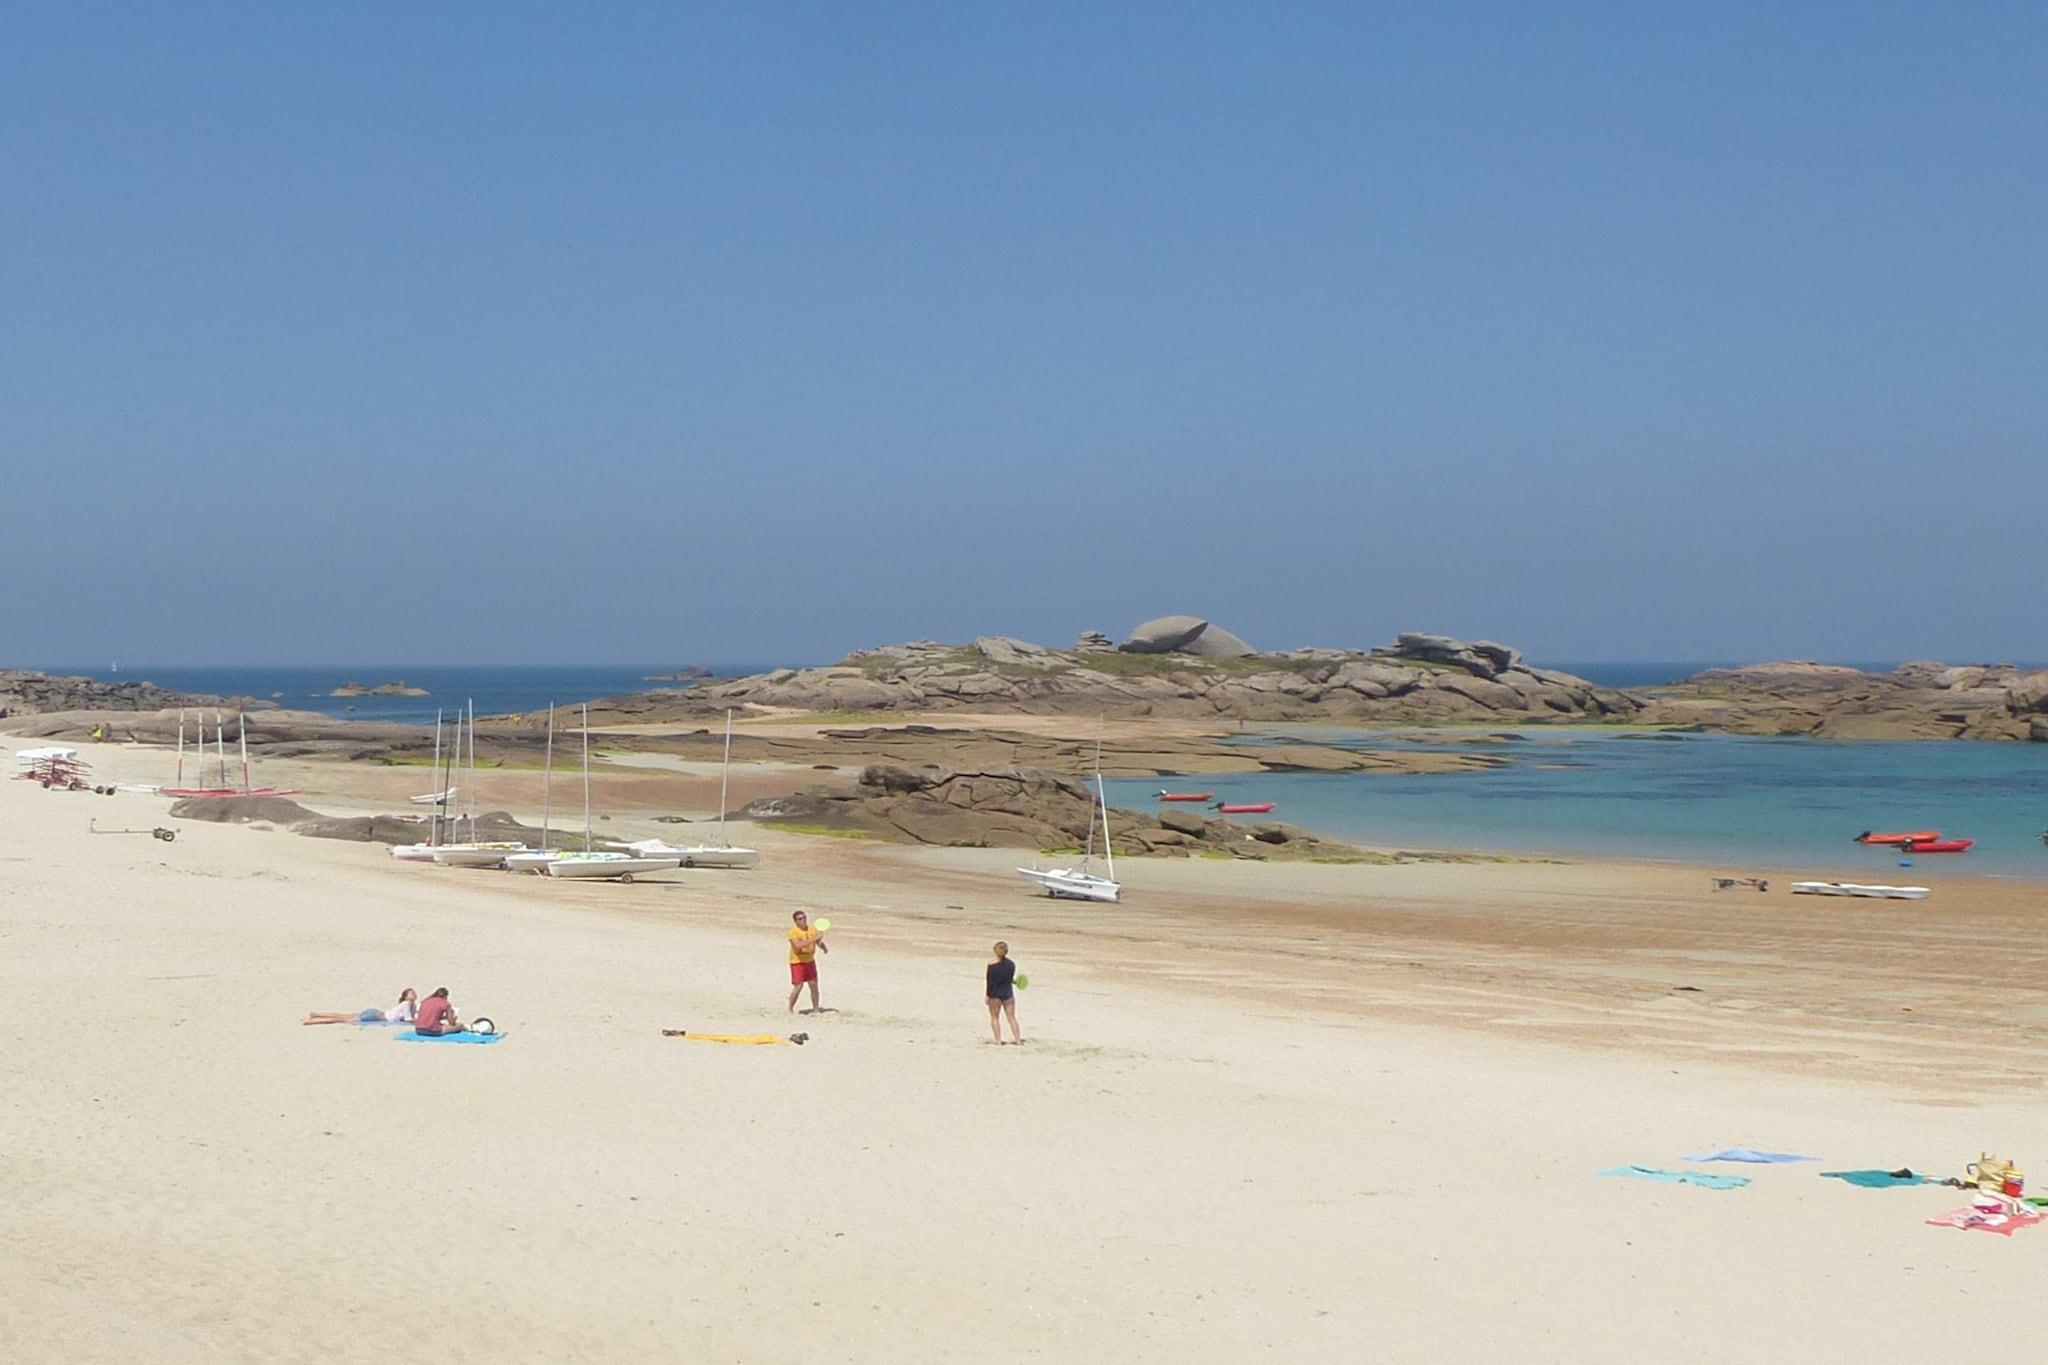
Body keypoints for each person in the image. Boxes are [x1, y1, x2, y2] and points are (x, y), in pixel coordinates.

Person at [303, 988, 418, 1027]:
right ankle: (311, 1021)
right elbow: (408, 1019)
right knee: (341, 1019)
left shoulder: (410, 1005)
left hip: (376, 1013)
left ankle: (315, 1014)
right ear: (406, 997)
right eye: (411, 993)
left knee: (343, 1016)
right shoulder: (406, 1004)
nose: (414, 995)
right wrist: (416, 1023)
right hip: (375, 1017)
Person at [786, 910, 828, 1014]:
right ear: (796, 921)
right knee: (798, 986)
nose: (803, 920)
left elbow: (818, 942)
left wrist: (823, 946)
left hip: (809, 961)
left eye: (804, 917)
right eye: (800, 919)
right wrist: (814, 938)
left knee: (813, 984)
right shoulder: (792, 932)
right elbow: (798, 945)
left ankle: (816, 1009)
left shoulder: (811, 929)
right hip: (797, 962)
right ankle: (790, 1008)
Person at [985, 942, 1022, 1044]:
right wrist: (1014, 982)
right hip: (1008, 993)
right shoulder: (1011, 964)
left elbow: (990, 982)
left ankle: (998, 1041)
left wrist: (987, 995)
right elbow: (1009, 979)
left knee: (995, 1018)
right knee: (1012, 1018)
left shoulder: (991, 965)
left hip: (995, 994)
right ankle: (1018, 1040)